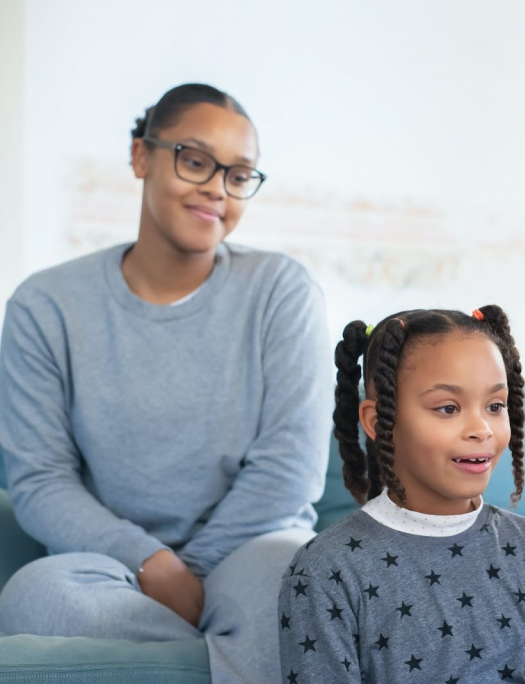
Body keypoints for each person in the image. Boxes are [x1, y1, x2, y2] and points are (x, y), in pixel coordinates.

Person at [0, 83, 332, 684]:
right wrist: (150, 563)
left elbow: (289, 468)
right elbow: (40, 479)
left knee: (299, 585)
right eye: (196, 160)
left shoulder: (282, 290)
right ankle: (232, 652)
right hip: (107, 566)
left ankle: (225, 639)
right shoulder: (44, 305)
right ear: (141, 156)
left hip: (253, 549)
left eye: (239, 175)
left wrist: (190, 576)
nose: (216, 188)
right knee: (35, 598)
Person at [278, 306, 525, 683]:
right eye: (448, 408)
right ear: (378, 421)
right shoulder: (324, 570)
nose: (481, 429)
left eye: (495, 406)